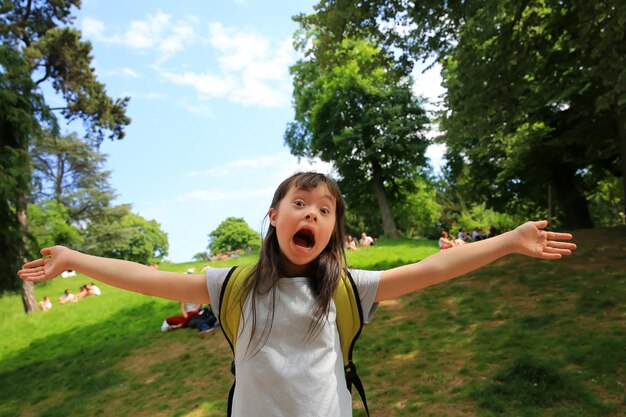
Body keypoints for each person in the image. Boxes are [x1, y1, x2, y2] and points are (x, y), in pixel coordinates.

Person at [18, 172, 576, 417]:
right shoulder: (229, 285)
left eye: (325, 209)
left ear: (333, 229)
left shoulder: (349, 288)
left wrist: (509, 241)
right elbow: (143, 277)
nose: (313, 212)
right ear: (274, 216)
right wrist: (70, 259)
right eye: (301, 203)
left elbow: (434, 266)